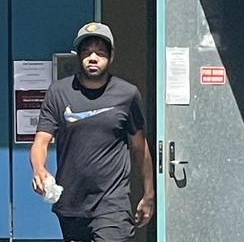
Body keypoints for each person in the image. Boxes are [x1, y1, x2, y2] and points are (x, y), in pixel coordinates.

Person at [30, 22, 154, 242]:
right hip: (71, 205)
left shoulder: (127, 94)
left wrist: (149, 193)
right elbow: (41, 141)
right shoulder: (59, 93)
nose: (93, 57)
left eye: (100, 52)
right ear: (78, 57)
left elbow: (139, 147)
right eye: (86, 52)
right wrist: (39, 169)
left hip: (112, 203)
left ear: (111, 57)